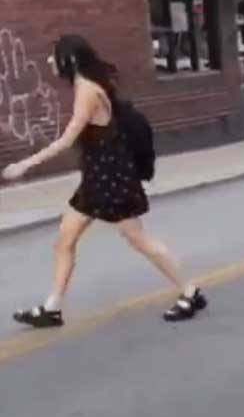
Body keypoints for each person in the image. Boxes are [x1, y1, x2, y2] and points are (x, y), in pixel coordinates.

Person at [2, 34, 205, 327]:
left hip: (112, 180)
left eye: (54, 56)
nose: (49, 61)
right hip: (97, 180)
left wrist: (25, 165)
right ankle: (53, 308)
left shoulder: (87, 90)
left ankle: (190, 291)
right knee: (64, 240)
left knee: (138, 239)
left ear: (69, 60)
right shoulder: (86, 86)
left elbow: (67, 139)